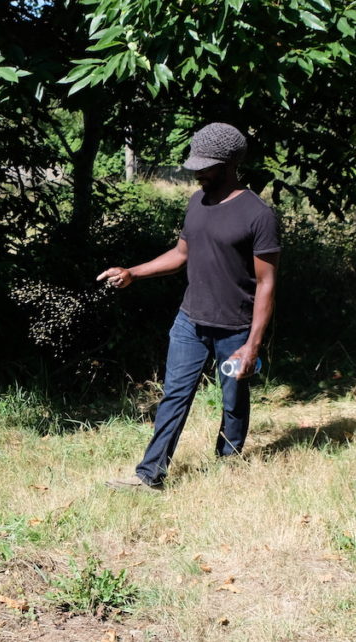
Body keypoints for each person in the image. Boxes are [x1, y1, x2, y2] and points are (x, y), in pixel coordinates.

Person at [98, 122, 280, 491]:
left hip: (235, 327)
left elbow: (266, 284)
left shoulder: (258, 215)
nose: (197, 172)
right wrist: (133, 272)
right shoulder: (198, 201)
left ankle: (229, 467)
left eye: (205, 166)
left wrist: (252, 345)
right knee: (174, 396)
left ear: (228, 165)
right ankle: (149, 475)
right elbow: (182, 254)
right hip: (189, 321)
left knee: (233, 400)